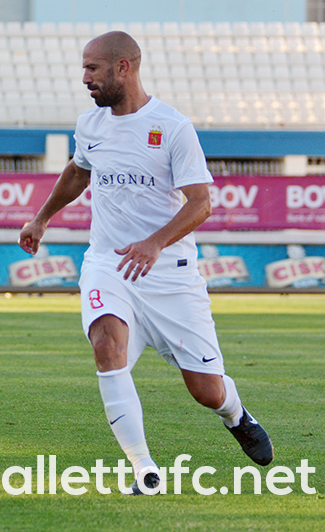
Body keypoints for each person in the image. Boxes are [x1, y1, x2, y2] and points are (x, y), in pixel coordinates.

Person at [18, 31, 273, 495]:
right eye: (83, 67)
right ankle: (144, 469)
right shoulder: (90, 124)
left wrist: (155, 243)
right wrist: (42, 219)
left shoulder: (173, 127)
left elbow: (201, 203)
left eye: (93, 68)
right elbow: (78, 171)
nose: (84, 78)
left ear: (123, 68)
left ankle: (236, 413)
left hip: (170, 277)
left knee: (207, 391)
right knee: (106, 345)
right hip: (108, 265)